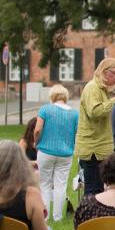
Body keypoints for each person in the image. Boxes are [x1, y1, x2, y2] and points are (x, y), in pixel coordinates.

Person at [74, 58, 115, 194]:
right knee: (93, 189)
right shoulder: (92, 88)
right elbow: (94, 112)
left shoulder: (103, 89)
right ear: (104, 72)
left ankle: (97, 214)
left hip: (101, 146)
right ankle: (90, 215)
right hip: (93, 149)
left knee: (100, 189)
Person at [34, 85, 79, 221]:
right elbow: (77, 132)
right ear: (65, 96)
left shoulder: (45, 109)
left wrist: (36, 143)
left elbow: (37, 130)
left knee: (45, 184)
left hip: (46, 151)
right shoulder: (75, 113)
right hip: (65, 154)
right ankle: (58, 217)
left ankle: (45, 217)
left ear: (52, 96)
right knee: (61, 185)